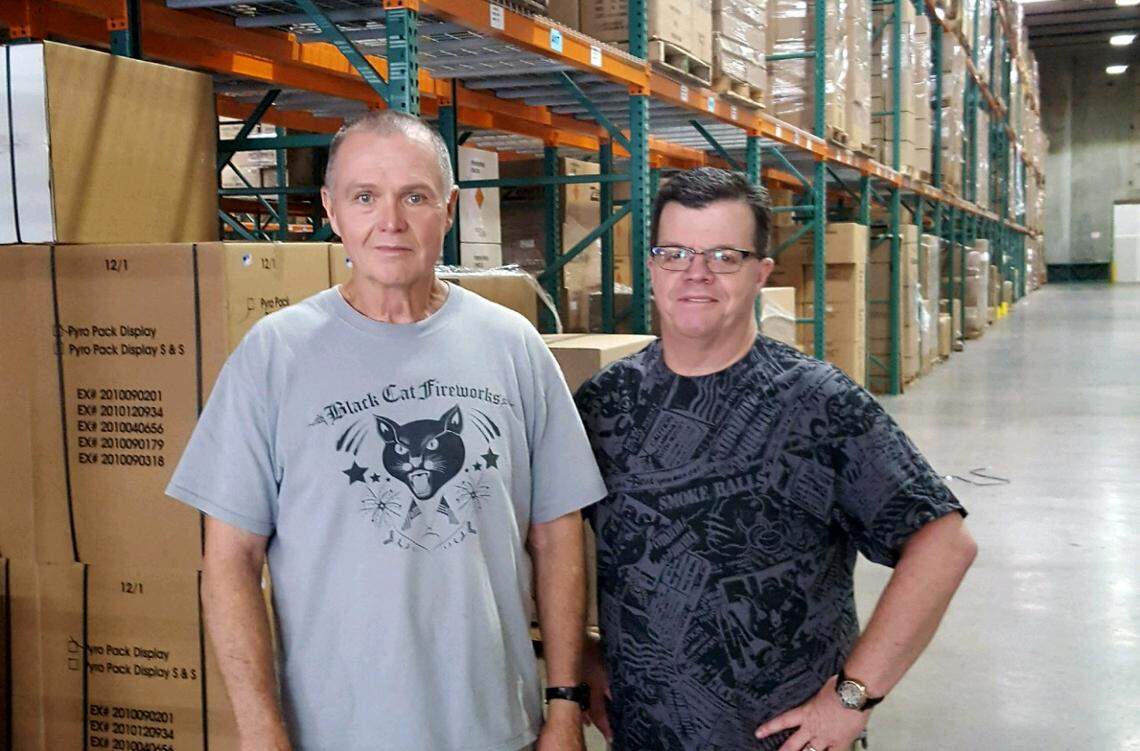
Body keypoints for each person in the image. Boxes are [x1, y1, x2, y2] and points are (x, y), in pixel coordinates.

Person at [167, 111, 605, 751]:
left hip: (496, 728)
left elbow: (558, 536)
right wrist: (261, 731)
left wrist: (563, 704)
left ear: (449, 210)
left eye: (415, 197)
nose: (390, 221)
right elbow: (229, 561)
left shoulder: (512, 346)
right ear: (332, 210)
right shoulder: (275, 356)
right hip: (331, 734)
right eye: (365, 196)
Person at [575, 167, 978, 751]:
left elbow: (944, 545)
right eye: (675, 253)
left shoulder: (818, 403)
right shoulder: (606, 403)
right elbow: (553, 539)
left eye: (723, 256)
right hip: (644, 735)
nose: (696, 274)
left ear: (761, 273)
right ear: (653, 267)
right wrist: (583, 654)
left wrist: (853, 697)